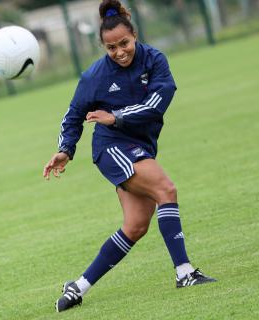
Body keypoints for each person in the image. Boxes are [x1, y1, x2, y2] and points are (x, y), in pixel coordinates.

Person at [43, 0, 217, 313]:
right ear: (103, 46)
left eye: (124, 43)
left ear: (134, 34)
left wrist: (117, 116)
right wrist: (64, 149)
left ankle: (78, 286)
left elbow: (157, 103)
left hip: (137, 144)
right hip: (111, 148)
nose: (120, 52)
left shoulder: (154, 60)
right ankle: (185, 273)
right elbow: (73, 114)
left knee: (136, 226)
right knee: (166, 189)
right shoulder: (94, 76)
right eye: (111, 48)